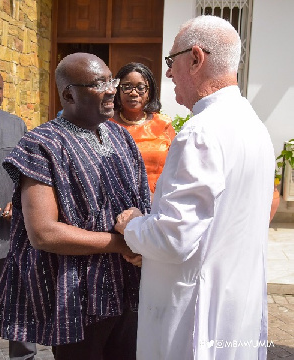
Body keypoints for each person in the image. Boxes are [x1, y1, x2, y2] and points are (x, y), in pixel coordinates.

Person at [115, 15, 275, 360]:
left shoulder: (201, 132)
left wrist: (132, 226)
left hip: (193, 322)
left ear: (196, 58)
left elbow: (173, 239)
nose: (168, 73)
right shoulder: (254, 126)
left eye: (172, 61)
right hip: (236, 309)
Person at [0, 53, 151, 360]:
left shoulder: (120, 136)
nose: (111, 90)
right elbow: (44, 233)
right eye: (98, 84)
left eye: (111, 81)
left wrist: (144, 239)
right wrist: (121, 244)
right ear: (68, 94)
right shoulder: (42, 144)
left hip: (129, 289)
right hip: (78, 300)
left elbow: (142, 200)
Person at [0, 67, 37, 359]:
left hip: (10, 235)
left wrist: (18, 202)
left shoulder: (16, 126)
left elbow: (29, 173)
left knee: (19, 305)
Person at [109, 62, 175, 194]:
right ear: (117, 91)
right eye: (127, 87)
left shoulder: (163, 125)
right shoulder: (105, 125)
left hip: (157, 202)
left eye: (140, 88)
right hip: (116, 203)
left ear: (149, 92)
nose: (133, 93)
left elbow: (177, 166)